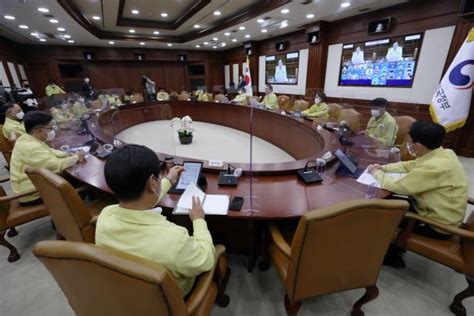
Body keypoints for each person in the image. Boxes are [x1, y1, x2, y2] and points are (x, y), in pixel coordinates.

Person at [95, 144, 215, 296]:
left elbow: (143, 200)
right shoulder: (174, 240)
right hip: (171, 300)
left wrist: (168, 180)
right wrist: (199, 221)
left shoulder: (105, 215)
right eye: (157, 178)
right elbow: (205, 260)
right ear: (152, 182)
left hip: (129, 295)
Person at [368, 121, 468, 266]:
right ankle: (393, 248)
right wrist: (383, 168)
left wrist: (374, 172)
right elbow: (411, 165)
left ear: (418, 146)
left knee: (379, 213)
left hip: (437, 225)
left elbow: (397, 186)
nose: (407, 144)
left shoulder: (434, 167)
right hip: (437, 210)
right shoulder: (445, 153)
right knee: (388, 203)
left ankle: (390, 256)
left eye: (409, 141)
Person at [10, 111, 86, 205]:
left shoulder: (26, 138)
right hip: (31, 194)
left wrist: (65, 154)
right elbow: (57, 166)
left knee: (72, 176)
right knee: (80, 183)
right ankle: (72, 216)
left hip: (33, 185)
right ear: (38, 130)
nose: (52, 131)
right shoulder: (31, 147)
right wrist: (77, 157)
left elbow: (48, 150)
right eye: (49, 128)